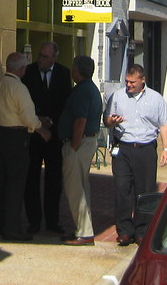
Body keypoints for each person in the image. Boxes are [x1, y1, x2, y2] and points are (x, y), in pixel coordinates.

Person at [104, 63, 167, 246]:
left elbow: (164, 124)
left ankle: (142, 231)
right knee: (122, 189)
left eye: (133, 82)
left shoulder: (156, 99)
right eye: (127, 82)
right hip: (123, 148)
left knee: (145, 192)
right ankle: (125, 231)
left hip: (146, 149)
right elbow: (107, 120)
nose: (129, 85)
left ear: (143, 80)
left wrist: (166, 149)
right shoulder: (117, 97)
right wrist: (111, 120)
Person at [0, 51, 50, 241]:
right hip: (16, 136)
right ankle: (12, 228)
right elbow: (28, 117)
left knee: (1, 181)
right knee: (15, 183)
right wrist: (42, 129)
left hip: (1, 133)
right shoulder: (19, 87)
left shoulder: (1, 84)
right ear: (22, 68)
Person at [21, 41, 73, 235]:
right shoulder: (28, 72)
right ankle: (33, 221)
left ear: (54, 58)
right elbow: (25, 100)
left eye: (45, 56)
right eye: (40, 55)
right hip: (33, 133)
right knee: (31, 178)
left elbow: (65, 102)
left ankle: (53, 221)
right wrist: (37, 119)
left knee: (54, 180)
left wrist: (52, 121)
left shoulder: (62, 73)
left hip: (53, 135)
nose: (40, 59)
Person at [58, 55, 104, 246]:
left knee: (75, 188)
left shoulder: (83, 91)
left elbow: (80, 120)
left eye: (73, 67)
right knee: (81, 187)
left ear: (78, 70)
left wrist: (74, 145)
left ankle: (84, 233)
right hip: (86, 142)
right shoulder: (89, 89)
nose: (71, 70)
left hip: (80, 143)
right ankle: (82, 228)